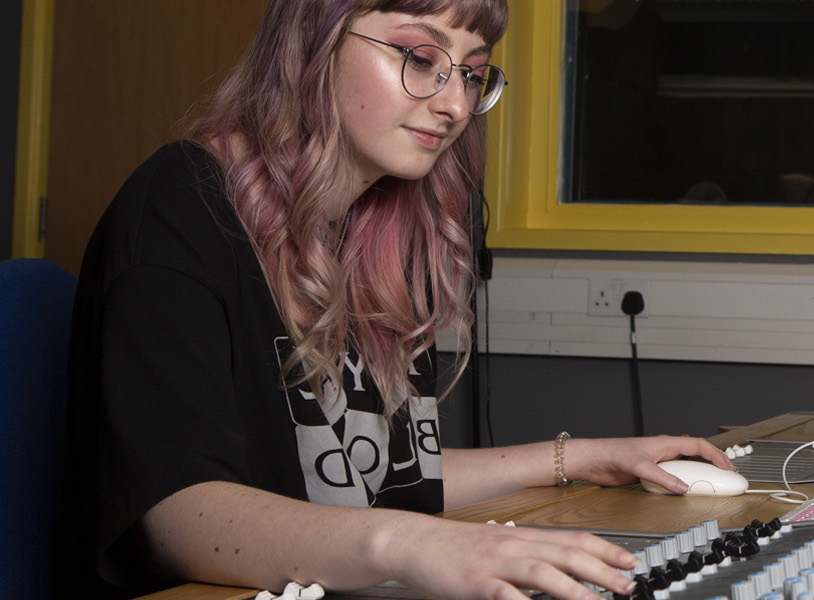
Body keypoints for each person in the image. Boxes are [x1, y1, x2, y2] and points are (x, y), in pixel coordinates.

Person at [54, 1, 733, 598]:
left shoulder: (371, 236)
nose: (456, 104)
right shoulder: (178, 209)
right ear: (314, 41)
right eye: (418, 56)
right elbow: (179, 514)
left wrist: (581, 457)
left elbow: (388, 474)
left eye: (471, 70)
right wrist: (409, 545)